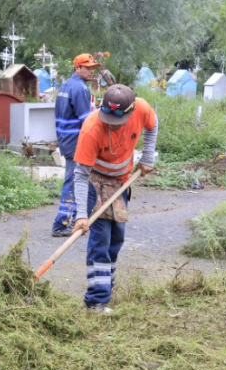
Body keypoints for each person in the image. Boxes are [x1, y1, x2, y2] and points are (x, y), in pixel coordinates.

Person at [72, 85, 157, 312]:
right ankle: (97, 300)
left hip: (121, 183)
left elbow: (153, 124)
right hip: (95, 183)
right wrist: (81, 215)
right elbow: (80, 176)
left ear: (130, 111)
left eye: (116, 119)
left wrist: (147, 157)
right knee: (100, 240)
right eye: (107, 118)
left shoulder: (141, 109)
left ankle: (106, 287)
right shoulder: (91, 129)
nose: (110, 123)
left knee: (116, 239)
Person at [52, 53, 100, 237]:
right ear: (77, 68)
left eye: (92, 68)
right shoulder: (80, 89)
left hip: (65, 138)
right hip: (76, 142)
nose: (91, 71)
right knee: (73, 181)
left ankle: (81, 219)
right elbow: (86, 120)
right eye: (87, 68)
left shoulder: (66, 85)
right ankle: (61, 223)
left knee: (80, 180)